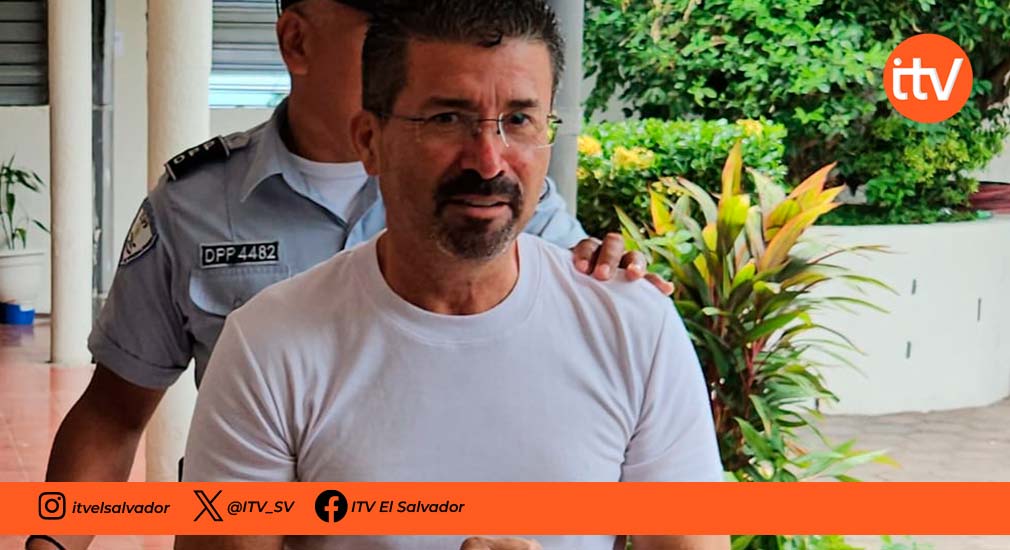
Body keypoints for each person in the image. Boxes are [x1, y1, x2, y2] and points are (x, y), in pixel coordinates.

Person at [29, 2, 671, 549]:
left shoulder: (490, 191)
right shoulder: (196, 204)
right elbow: (114, 415)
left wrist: (617, 279)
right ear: (297, 41)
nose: (415, 29)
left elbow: (578, 321)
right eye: (384, 19)